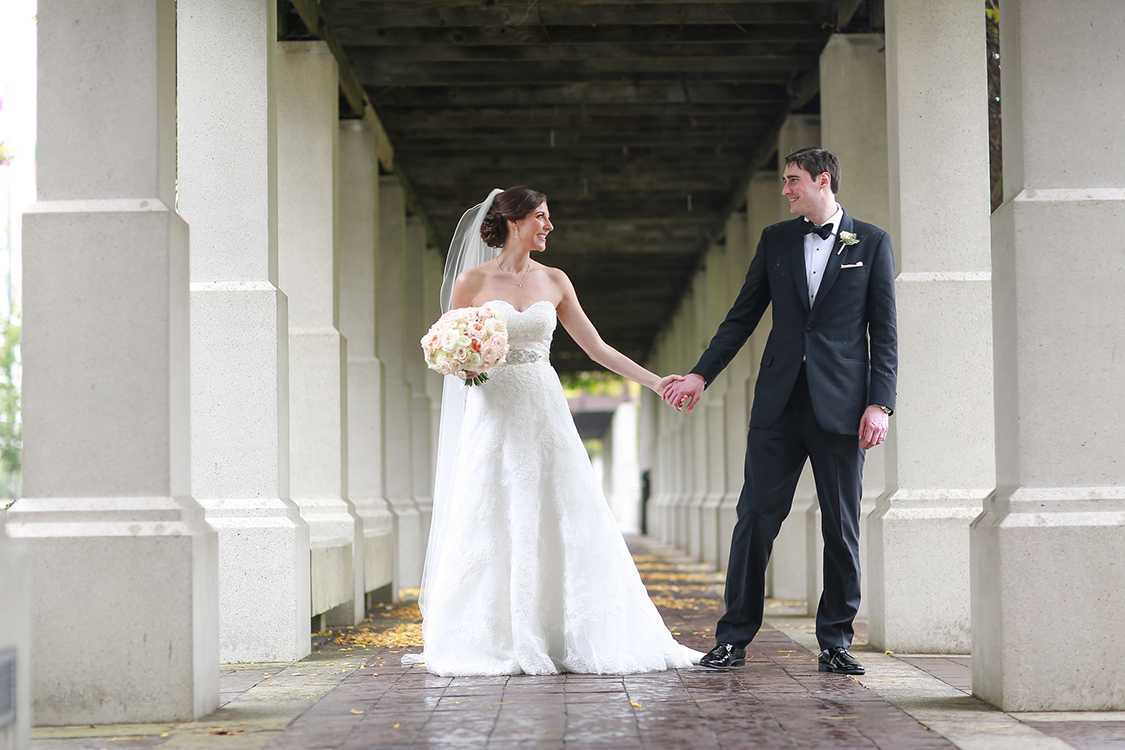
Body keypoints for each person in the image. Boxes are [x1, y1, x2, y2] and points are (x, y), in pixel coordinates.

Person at [406, 186, 701, 676]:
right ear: (514, 222)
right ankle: (493, 633)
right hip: (492, 413)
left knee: (563, 510)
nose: (549, 226)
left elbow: (597, 349)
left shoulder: (556, 281)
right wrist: (468, 362)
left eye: (548, 217)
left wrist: (655, 381)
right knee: (492, 514)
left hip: (544, 409)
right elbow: (449, 351)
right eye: (541, 217)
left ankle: (564, 631)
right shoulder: (471, 282)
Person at [663, 148, 897, 675]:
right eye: (785, 182)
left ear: (823, 180)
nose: (786, 190)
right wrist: (701, 373)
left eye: (793, 181)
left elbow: (884, 333)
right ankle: (733, 638)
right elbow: (742, 317)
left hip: (841, 407)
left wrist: (880, 403)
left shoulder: (873, 242)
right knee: (755, 519)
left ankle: (836, 641)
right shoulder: (775, 241)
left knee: (841, 526)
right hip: (778, 405)